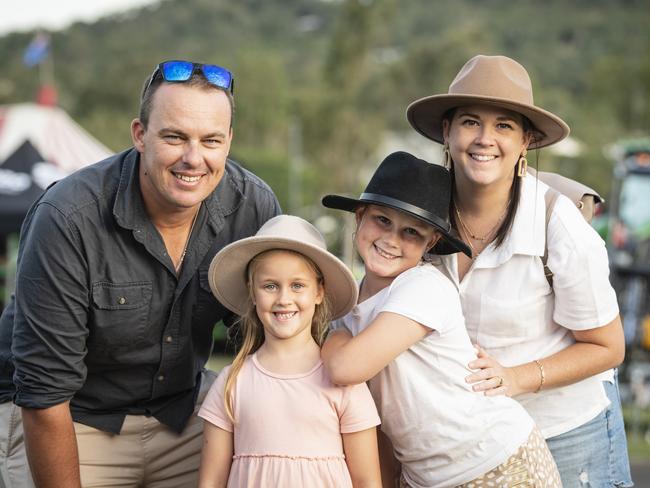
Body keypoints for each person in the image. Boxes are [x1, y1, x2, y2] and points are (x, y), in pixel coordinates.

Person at [0, 59, 280, 488]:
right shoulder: (68, 216)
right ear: (139, 135)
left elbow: (273, 344)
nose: (193, 158)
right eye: (174, 136)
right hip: (72, 417)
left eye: (211, 140)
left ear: (228, 142)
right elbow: (44, 394)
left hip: (184, 412)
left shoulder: (253, 206)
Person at [406, 54, 632, 487]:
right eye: (470, 122)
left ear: (526, 140)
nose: (484, 139)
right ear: (446, 131)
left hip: (566, 431)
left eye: (504, 126)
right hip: (472, 443)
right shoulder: (419, 217)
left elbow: (608, 347)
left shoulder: (556, 222)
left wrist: (515, 377)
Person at [321, 151, 561, 488]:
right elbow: (380, 416)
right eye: (382, 220)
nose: (391, 240)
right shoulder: (351, 301)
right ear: (360, 216)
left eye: (411, 233)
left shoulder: (423, 286)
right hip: (428, 475)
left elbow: (345, 368)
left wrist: (335, 333)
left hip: (495, 464)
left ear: (431, 241)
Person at [197, 215, 382, 487]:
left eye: (297, 285)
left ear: (319, 292)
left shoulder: (345, 384)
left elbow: (368, 481)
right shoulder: (231, 382)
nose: (284, 299)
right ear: (252, 292)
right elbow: (211, 481)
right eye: (270, 286)